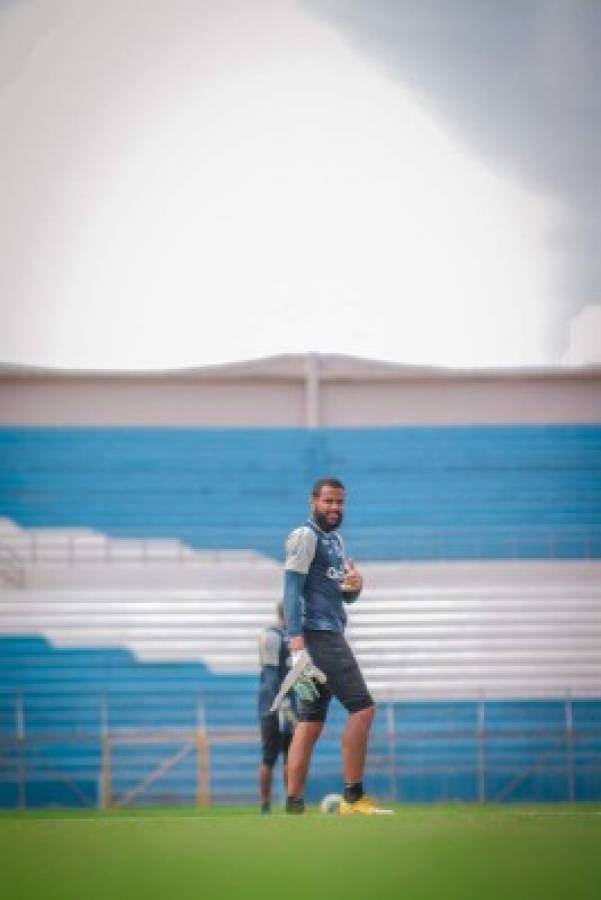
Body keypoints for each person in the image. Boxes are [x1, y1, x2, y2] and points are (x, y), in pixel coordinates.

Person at [282, 476, 392, 815]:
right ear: (312, 501)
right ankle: (353, 798)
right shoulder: (304, 536)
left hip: (320, 636)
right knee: (363, 709)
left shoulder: (335, 540)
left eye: (340, 502)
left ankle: (294, 806)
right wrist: (297, 643)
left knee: (310, 723)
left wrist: (355, 587)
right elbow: (290, 590)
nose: (334, 507)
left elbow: (343, 595)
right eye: (328, 501)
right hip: (319, 637)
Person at [257, 602, 296, 813]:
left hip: (294, 704)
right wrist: (280, 700)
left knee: (292, 756)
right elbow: (270, 673)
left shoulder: (297, 635)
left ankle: (292, 802)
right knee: (269, 756)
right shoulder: (271, 636)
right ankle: (265, 805)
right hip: (272, 705)